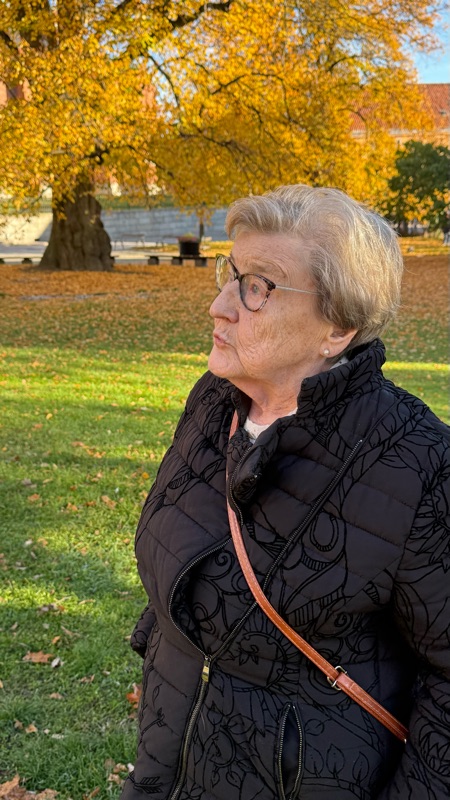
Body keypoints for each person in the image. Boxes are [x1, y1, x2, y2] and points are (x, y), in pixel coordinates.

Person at [121, 185, 450, 800]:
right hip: (167, 767)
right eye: (230, 274)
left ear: (338, 327)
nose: (220, 306)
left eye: (258, 287)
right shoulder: (214, 401)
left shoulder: (419, 460)